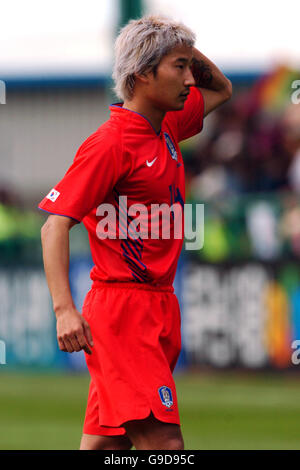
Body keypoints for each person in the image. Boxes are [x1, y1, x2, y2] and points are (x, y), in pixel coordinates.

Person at [39, 15, 232, 450]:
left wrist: (178, 42)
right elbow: (54, 226)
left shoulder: (167, 126)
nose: (189, 78)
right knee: (164, 446)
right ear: (144, 74)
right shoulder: (111, 143)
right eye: (178, 67)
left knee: (106, 447)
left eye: (188, 66)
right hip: (124, 314)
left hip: (158, 307)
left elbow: (221, 88)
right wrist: (64, 310)